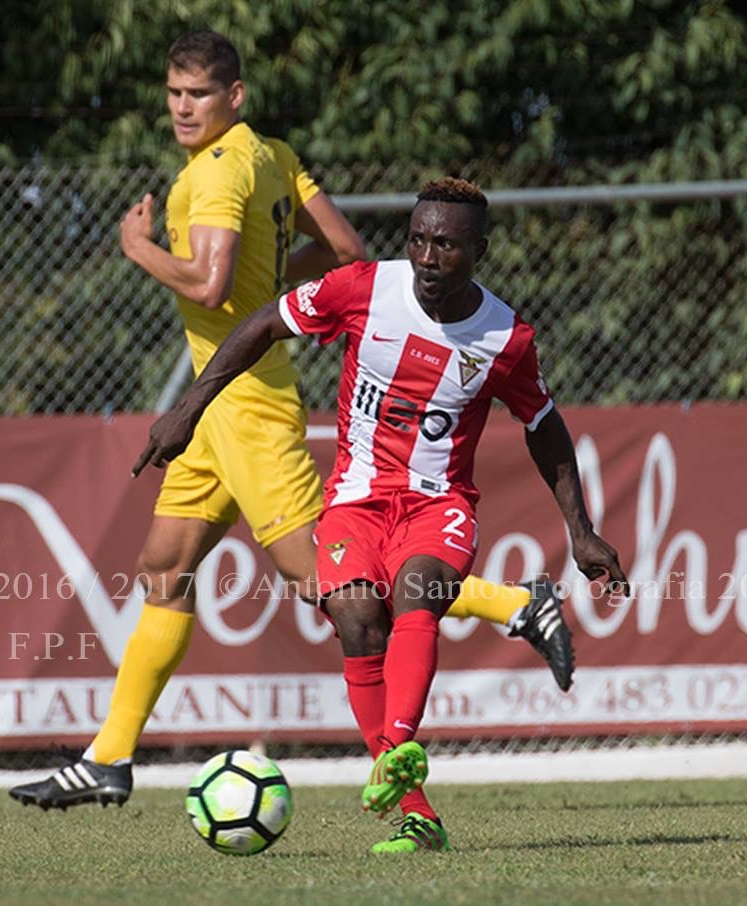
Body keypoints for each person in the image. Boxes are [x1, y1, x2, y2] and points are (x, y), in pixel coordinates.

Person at [9, 31, 574, 812]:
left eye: (198, 94)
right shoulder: (272, 155)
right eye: (174, 93)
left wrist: (138, 246)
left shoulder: (217, 170)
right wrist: (272, 281)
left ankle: (515, 604)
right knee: (165, 567)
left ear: (233, 96)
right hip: (221, 404)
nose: (182, 108)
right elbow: (342, 247)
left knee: (333, 584)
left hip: (244, 402)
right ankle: (109, 755)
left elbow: (209, 287)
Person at [133, 177, 628, 853]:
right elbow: (262, 324)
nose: (427, 256)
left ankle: (395, 746)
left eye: (446, 245)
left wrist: (580, 528)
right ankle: (417, 815)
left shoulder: (505, 337)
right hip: (356, 499)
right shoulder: (363, 288)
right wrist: (188, 411)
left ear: (479, 251)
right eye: (418, 239)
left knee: (417, 592)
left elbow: (543, 422)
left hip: (439, 502)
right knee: (355, 617)